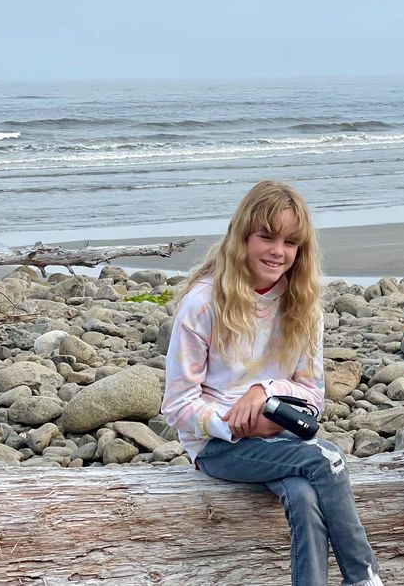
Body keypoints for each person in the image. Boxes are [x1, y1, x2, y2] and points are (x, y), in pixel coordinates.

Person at [163, 181, 384, 586]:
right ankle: (365, 579)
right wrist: (235, 423)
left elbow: (313, 398)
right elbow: (177, 405)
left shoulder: (301, 304)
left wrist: (265, 393)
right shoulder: (202, 303)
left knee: (302, 495)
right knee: (328, 457)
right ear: (242, 236)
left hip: (281, 435)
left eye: (290, 242)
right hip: (217, 445)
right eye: (266, 236)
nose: (277, 251)